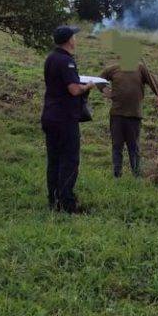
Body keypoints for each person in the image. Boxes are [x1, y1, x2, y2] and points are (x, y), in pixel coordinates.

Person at [40, 25, 95, 214]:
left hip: (50, 116)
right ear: (69, 40)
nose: (76, 39)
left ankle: (53, 201)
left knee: (54, 161)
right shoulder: (66, 61)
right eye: (74, 36)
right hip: (64, 119)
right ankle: (67, 204)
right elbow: (73, 89)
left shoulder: (51, 58)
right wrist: (87, 86)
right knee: (69, 161)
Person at [99, 60, 158, 177]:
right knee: (117, 146)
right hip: (117, 114)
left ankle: (136, 175)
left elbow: (153, 81)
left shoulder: (140, 68)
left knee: (133, 147)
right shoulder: (113, 69)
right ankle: (117, 175)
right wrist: (106, 91)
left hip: (134, 115)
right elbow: (99, 79)